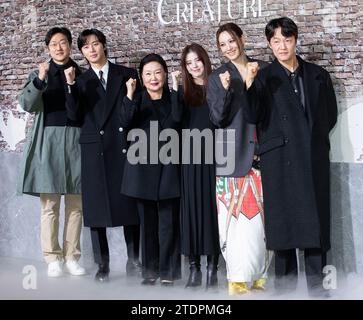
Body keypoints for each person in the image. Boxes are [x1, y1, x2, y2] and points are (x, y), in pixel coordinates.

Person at [244, 17, 338, 296]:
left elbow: (329, 114)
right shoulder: (261, 76)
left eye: (286, 39)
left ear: (296, 39)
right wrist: (248, 85)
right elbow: (252, 116)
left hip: (312, 158)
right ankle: (284, 291)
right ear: (269, 44)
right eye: (275, 41)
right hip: (279, 160)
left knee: (315, 227)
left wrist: (315, 139)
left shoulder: (318, 74)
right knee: (283, 228)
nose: (282, 46)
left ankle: (318, 291)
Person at [64, 29, 141, 282]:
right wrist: (70, 86)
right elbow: (74, 117)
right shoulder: (80, 81)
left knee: (130, 205)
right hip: (94, 149)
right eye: (86, 47)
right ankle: (103, 265)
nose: (92, 50)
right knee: (96, 210)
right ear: (82, 52)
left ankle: (134, 260)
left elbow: (134, 115)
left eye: (96, 44)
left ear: (104, 45)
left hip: (122, 146)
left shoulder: (127, 75)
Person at [207, 23, 271, 295]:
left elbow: (265, 114)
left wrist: (251, 83)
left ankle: (259, 276)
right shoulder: (217, 76)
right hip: (229, 157)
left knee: (258, 222)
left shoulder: (263, 70)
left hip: (260, 156)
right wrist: (229, 89)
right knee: (231, 221)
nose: (229, 47)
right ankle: (235, 278)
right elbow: (217, 118)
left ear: (242, 39)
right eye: (223, 44)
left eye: (232, 40)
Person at [17, 27, 86, 277]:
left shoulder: (82, 74)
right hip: (48, 140)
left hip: (77, 140)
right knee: (50, 205)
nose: (59, 47)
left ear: (70, 46)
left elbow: (83, 111)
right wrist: (40, 79)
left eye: (63, 42)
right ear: (48, 48)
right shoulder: (39, 73)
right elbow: (26, 104)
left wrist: (72, 83)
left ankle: (72, 257)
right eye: (54, 44)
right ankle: (52, 257)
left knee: (76, 204)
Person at [120, 53, 181, 286]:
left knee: (168, 222)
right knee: (147, 225)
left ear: (165, 74)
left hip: (168, 168)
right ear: (141, 78)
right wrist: (129, 94)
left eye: (158, 72)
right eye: (148, 74)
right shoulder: (136, 99)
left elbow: (177, 119)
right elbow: (124, 122)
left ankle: (169, 272)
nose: (153, 78)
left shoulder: (173, 98)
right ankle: (150, 272)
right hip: (142, 170)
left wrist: (176, 88)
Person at [170, 43, 220, 289]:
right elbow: (176, 120)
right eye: (188, 63)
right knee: (189, 212)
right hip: (189, 157)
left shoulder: (218, 85)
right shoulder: (183, 91)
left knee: (211, 211)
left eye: (197, 60)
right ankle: (194, 269)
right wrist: (175, 88)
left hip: (214, 156)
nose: (194, 66)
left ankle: (212, 268)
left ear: (204, 60)